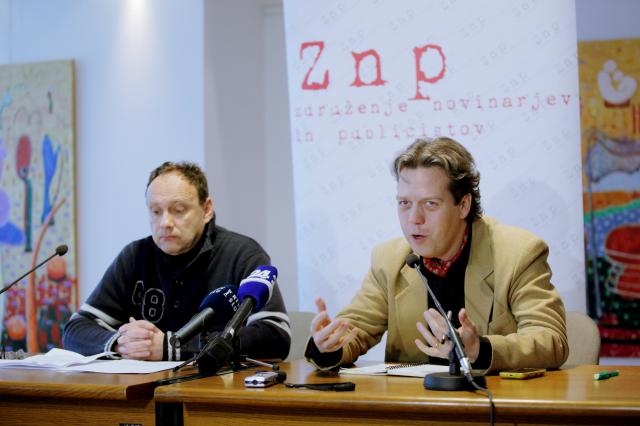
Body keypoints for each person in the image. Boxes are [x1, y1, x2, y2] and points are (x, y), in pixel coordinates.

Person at [306, 137, 568, 373]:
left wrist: (479, 349)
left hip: (492, 404)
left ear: (463, 205)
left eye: (430, 204)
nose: (414, 219)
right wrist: (329, 345)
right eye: (404, 203)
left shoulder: (518, 253)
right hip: (415, 405)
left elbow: (551, 340)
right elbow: (355, 328)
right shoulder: (390, 259)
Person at [63, 161, 290, 361]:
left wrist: (172, 346)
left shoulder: (242, 254)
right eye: (155, 212)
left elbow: (275, 334)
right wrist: (120, 343)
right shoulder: (135, 256)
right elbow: (75, 329)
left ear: (207, 209)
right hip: (142, 390)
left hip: (216, 389)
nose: (165, 223)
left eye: (178, 210)